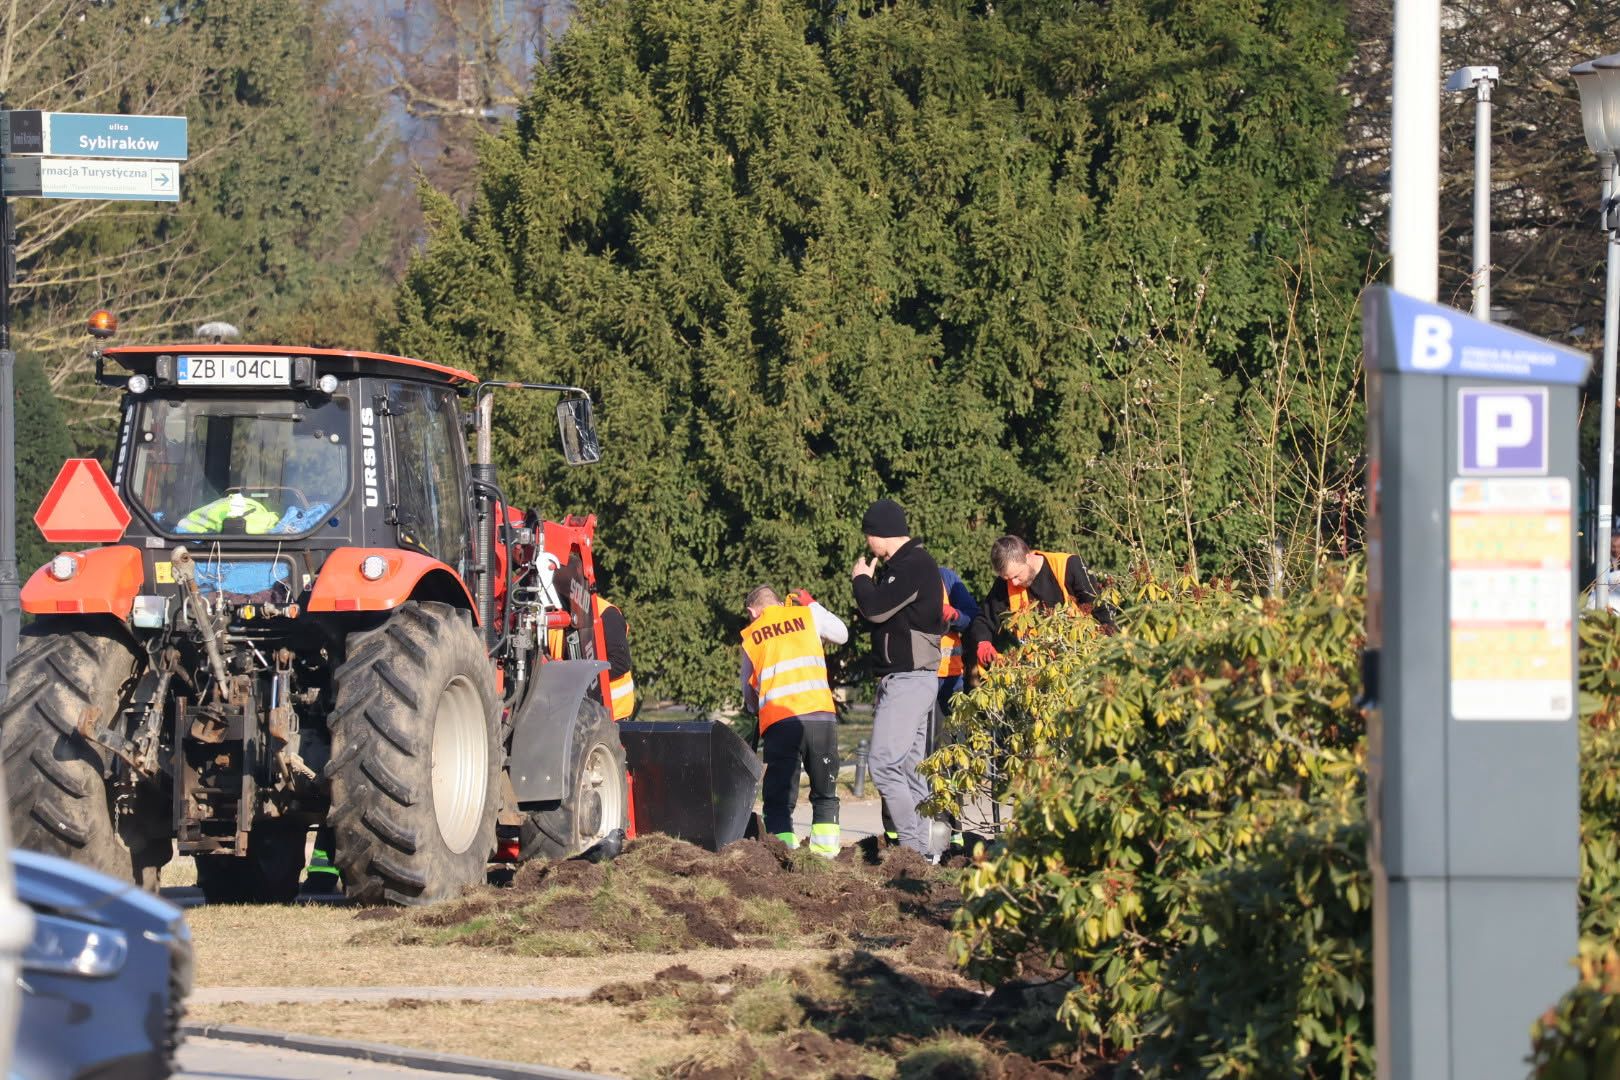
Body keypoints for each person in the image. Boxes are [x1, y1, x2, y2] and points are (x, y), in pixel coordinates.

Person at [851, 498, 944, 857]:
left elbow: (874, 609)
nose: (867, 544)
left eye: (868, 536)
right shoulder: (905, 566)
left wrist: (861, 580)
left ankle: (911, 849)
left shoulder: (913, 565)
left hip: (908, 679)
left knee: (883, 763)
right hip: (911, 679)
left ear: (880, 534)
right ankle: (925, 854)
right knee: (909, 769)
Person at [740, 585, 849, 856]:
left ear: (752, 611)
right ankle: (825, 855)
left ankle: (782, 854)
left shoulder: (752, 634)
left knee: (779, 796)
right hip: (821, 717)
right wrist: (814, 606)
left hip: (781, 722)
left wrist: (754, 707)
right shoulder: (807, 616)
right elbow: (842, 635)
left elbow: (748, 691)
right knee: (825, 790)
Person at [970, 535, 1117, 666]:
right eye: (1007, 579)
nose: (1013, 583)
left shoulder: (1069, 565)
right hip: (1040, 668)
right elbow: (984, 619)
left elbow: (1102, 611)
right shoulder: (1006, 583)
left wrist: (1114, 648)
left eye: (1016, 576)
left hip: (1083, 659)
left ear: (1027, 557)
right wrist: (983, 642)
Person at [594, 595, 637, 720]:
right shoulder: (554, 610)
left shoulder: (606, 614)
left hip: (614, 713)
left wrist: (581, 678)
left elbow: (620, 662)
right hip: (584, 714)